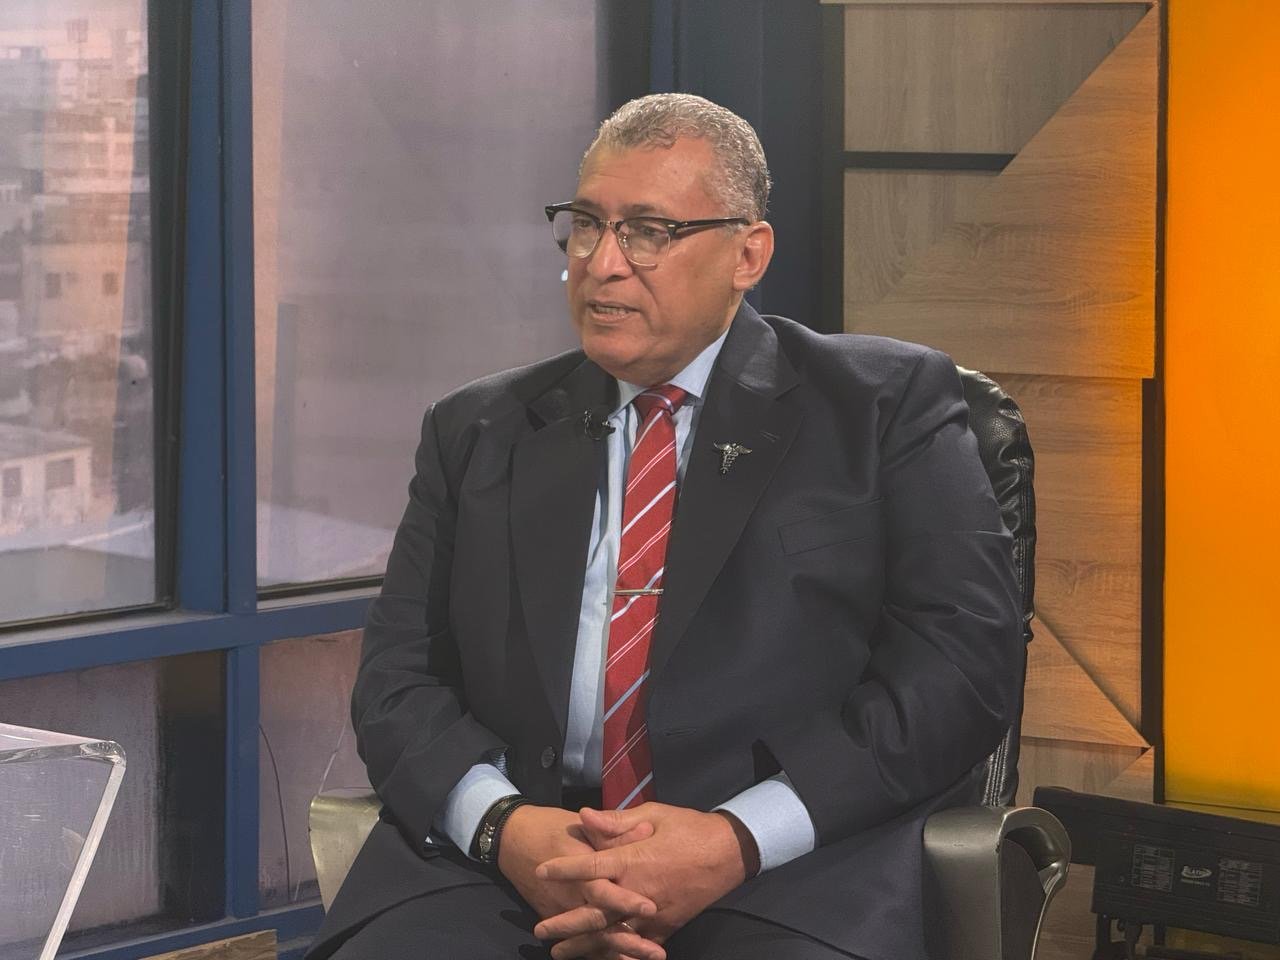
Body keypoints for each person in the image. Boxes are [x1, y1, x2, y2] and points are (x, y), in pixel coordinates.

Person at [306, 93, 1023, 960]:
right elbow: (396, 680)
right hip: (513, 865)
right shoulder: (477, 429)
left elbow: (960, 672)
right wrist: (505, 828)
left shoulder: (882, 407)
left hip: (789, 869)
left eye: (648, 232)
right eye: (586, 225)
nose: (603, 263)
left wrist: (737, 839)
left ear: (748, 253)